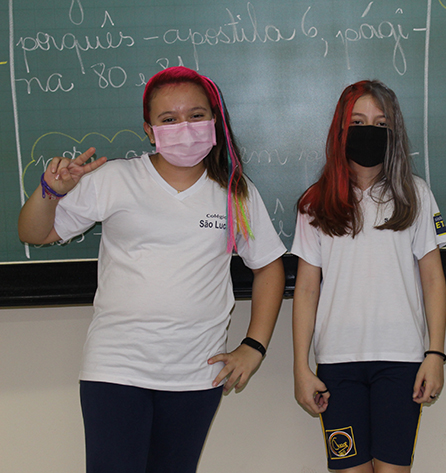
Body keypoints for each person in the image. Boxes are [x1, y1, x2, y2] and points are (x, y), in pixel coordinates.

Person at [17, 66, 286, 472]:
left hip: (195, 373)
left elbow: (268, 266)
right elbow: (35, 233)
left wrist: (254, 346)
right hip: (116, 368)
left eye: (196, 115)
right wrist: (50, 191)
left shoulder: (235, 193)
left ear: (214, 120)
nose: (184, 127)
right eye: (169, 119)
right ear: (149, 130)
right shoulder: (114, 178)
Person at [291, 80, 446, 473]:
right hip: (337, 363)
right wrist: (300, 366)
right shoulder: (315, 203)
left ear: (394, 133)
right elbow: (307, 289)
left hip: (401, 361)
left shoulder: (415, 195)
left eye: (381, 124)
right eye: (358, 122)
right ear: (340, 131)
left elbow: (433, 280)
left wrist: (435, 354)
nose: (369, 131)